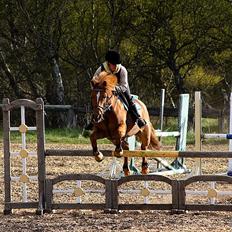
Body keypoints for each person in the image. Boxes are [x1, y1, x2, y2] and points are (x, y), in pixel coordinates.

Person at [85, 50, 147, 130]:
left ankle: (138, 118)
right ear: (108, 63)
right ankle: (92, 120)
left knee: (129, 100)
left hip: (120, 88)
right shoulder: (101, 68)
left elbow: (124, 85)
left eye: (116, 64)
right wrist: (96, 89)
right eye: (113, 64)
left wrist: (114, 89)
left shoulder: (122, 70)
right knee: (95, 100)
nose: (115, 66)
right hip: (105, 89)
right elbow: (94, 79)